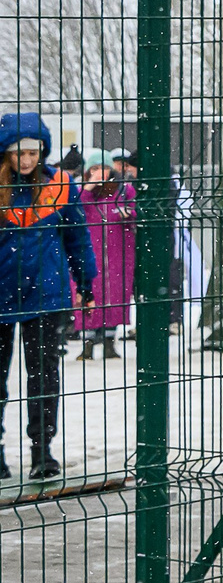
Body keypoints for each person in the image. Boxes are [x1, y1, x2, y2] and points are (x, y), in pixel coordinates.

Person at [1, 114, 97, 484]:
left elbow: (77, 238)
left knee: (43, 377)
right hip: (2, 293)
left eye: (32, 152)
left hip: (46, 294)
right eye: (18, 153)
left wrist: (86, 283)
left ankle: (43, 451)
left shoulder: (61, 186)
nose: (25, 160)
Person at [74, 162, 138, 360]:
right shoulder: (82, 193)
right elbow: (76, 211)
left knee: (115, 296)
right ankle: (88, 344)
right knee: (89, 294)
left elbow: (136, 212)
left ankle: (110, 342)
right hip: (90, 255)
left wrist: (128, 214)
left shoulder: (124, 192)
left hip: (118, 255)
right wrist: (89, 186)